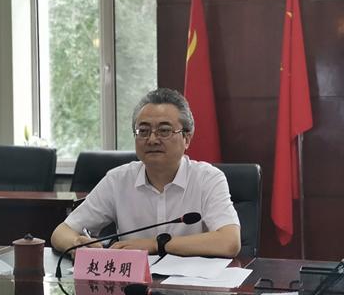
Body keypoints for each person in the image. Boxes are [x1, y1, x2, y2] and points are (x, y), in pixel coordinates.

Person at [51, 88, 241, 258]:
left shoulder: (208, 178)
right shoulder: (118, 180)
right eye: (143, 131)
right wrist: (77, 245)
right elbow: (61, 232)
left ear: (187, 138)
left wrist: (156, 245)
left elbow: (229, 242)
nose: (152, 139)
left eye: (164, 131)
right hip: (132, 284)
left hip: (192, 283)